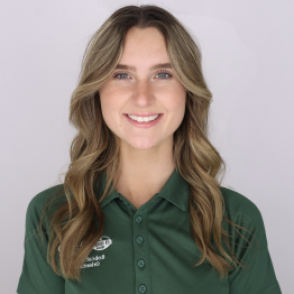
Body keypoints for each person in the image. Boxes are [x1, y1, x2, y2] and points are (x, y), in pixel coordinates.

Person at [17, 5, 282, 294]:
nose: (142, 98)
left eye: (163, 75)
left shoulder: (236, 221)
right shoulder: (52, 216)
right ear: (97, 92)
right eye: (122, 75)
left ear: (188, 91)